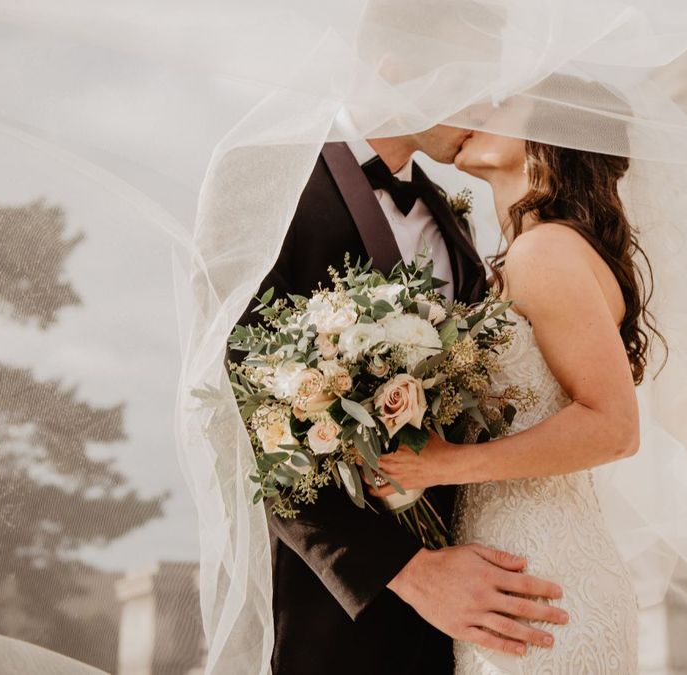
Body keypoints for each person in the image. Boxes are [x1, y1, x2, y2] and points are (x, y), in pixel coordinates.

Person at [234, 127, 569, 674]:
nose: (482, 107)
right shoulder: (266, 184)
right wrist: (411, 572)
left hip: (472, 617)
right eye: (471, 74)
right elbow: (244, 417)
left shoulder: (453, 220)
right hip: (339, 616)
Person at [370, 128, 655, 672]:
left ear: (550, 134)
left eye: (501, 101)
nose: (474, 109)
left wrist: (444, 464)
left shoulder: (544, 250)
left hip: (542, 579)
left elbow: (615, 426)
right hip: (513, 573)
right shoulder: (522, 255)